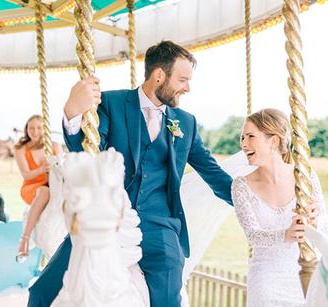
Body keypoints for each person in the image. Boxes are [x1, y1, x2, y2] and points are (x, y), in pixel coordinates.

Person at [28, 41, 233, 307]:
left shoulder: (186, 122)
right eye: (182, 79)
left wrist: (250, 200)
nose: (188, 87)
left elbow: (211, 170)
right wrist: (72, 113)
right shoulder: (112, 104)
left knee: (169, 296)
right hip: (108, 215)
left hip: (160, 224)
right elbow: (89, 153)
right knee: (42, 292)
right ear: (159, 75)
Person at [232, 108, 328, 307]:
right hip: (267, 278)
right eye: (242, 137)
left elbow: (325, 224)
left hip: (307, 272)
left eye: (251, 136)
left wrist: (314, 219)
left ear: (274, 140)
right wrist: (286, 234)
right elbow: (253, 235)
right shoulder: (241, 185)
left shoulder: (305, 176)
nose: (243, 144)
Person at [13, 115, 62, 261]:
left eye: (39, 128)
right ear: (26, 130)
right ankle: (25, 238)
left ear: (45, 129)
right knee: (44, 191)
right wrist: (41, 169)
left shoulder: (54, 146)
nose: (35, 131)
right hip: (31, 187)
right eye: (31, 128)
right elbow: (26, 175)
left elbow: (62, 167)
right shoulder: (21, 149)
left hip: (52, 185)